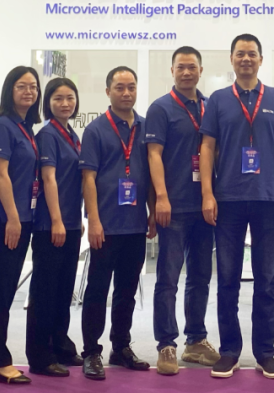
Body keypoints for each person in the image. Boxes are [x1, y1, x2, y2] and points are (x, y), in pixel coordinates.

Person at [200, 33, 274, 380]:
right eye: (240, 53)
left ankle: (265, 353)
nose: (246, 59)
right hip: (228, 199)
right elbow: (207, 147)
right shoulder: (218, 100)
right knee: (227, 279)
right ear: (232, 59)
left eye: (251, 54)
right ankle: (229, 351)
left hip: (269, 199)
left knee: (266, 279)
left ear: (260, 60)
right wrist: (207, 194)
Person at [146, 46, 220, 375]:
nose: (187, 72)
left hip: (204, 206)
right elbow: (154, 155)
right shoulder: (161, 108)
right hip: (173, 207)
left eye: (192, 67)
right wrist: (161, 198)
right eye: (181, 67)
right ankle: (166, 344)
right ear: (172, 71)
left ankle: (196, 340)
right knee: (168, 278)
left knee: (201, 277)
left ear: (200, 70)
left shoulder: (210, 107)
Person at [78, 66, 155, 381]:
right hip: (105, 226)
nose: (126, 93)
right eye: (120, 87)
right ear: (108, 91)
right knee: (97, 290)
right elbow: (88, 178)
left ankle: (120, 347)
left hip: (135, 225)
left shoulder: (147, 128)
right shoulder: (96, 130)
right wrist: (93, 220)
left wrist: (152, 211)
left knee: (127, 291)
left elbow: (151, 175)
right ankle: (91, 351)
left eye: (131, 87)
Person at [0, 66, 42, 384]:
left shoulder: (25, 127)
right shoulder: (2, 126)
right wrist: (14, 218)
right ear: (9, 91)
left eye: (33, 86)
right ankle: (0, 362)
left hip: (19, 219)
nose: (29, 91)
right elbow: (0, 175)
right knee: (0, 293)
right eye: (21, 86)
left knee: (0, 292)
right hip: (1, 221)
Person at [27, 77, 84, 377]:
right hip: (51, 225)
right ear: (47, 102)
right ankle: (40, 355)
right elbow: (49, 179)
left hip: (71, 223)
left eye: (70, 97)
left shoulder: (72, 134)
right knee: (45, 292)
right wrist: (58, 221)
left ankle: (61, 345)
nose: (65, 103)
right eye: (58, 98)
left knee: (64, 290)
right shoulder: (48, 134)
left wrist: (76, 220)